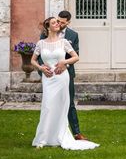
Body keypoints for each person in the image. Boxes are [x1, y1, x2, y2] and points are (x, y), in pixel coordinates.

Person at [31, 17, 99, 150]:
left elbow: (76, 57)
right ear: (48, 27)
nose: (57, 24)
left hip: (61, 78)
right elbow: (33, 60)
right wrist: (41, 68)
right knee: (47, 106)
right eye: (54, 23)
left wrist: (64, 62)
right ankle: (43, 138)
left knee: (61, 107)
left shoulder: (63, 42)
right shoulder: (41, 43)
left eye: (58, 22)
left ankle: (59, 136)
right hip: (48, 78)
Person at [39, 10, 90, 141]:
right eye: (58, 21)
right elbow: (40, 54)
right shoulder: (46, 32)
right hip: (50, 75)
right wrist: (43, 69)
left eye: (62, 22)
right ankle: (49, 134)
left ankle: (76, 133)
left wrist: (64, 66)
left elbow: (75, 54)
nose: (59, 24)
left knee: (69, 103)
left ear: (68, 22)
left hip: (65, 74)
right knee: (49, 104)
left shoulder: (73, 35)